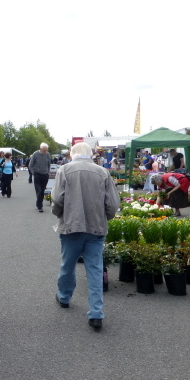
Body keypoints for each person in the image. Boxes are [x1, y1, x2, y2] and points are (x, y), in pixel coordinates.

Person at [51, 142, 120, 331]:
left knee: (68, 264)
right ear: (90, 155)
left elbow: (57, 200)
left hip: (71, 226)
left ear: (72, 154)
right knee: (95, 269)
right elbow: (113, 204)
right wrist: (106, 217)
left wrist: (59, 213)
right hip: (96, 227)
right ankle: (96, 313)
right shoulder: (103, 172)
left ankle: (64, 297)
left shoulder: (64, 170)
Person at [29, 142, 52, 212]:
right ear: (40, 149)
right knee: (39, 190)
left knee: (43, 190)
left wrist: (48, 171)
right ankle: (40, 206)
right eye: (44, 150)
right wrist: (33, 173)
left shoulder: (47, 154)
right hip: (37, 174)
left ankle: (39, 203)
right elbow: (30, 165)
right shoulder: (35, 154)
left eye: (46, 150)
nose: (45, 152)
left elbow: (49, 164)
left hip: (45, 174)